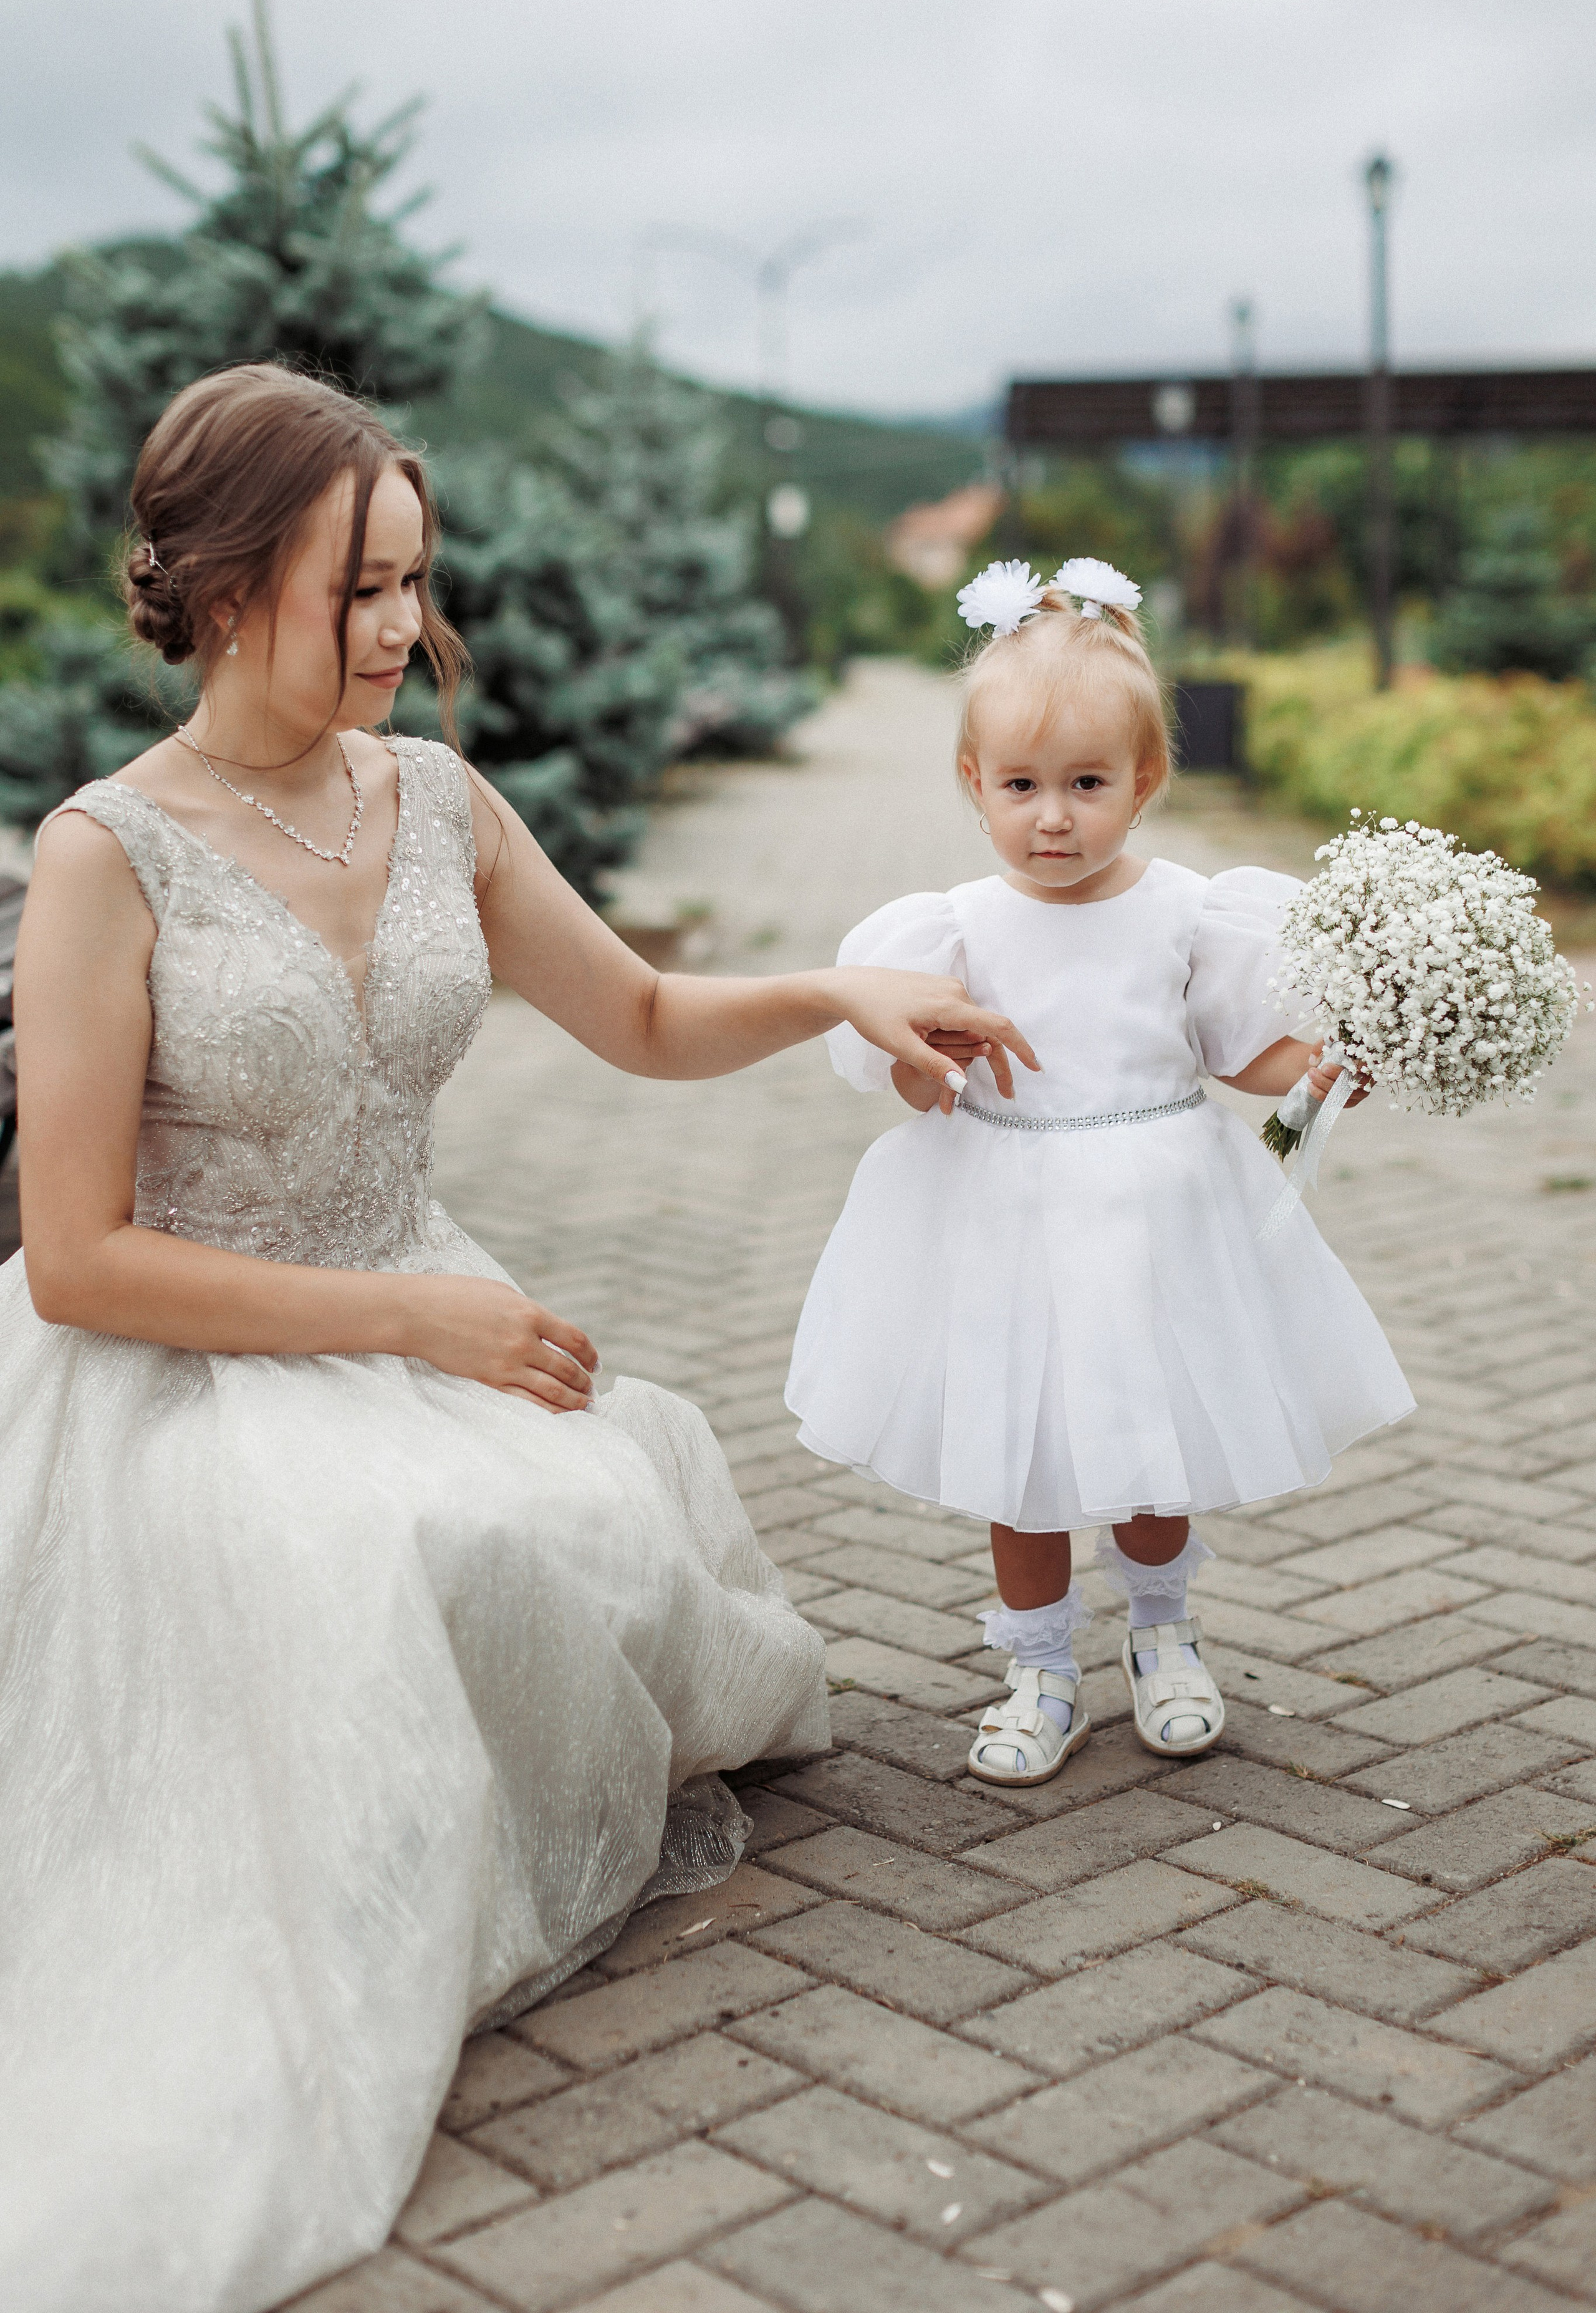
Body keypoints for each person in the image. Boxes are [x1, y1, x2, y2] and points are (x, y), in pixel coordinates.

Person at [0, 364, 1037, 2313]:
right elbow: (74, 1260)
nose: (405, 628)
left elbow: (637, 1015)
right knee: (395, 1566)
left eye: (415, 581)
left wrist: (836, 989)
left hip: (427, 1311)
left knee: (606, 1529)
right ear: (225, 590)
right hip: (189, 1367)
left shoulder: (439, 801)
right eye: (358, 588)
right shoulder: (101, 858)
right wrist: (415, 1320)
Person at [786, 558, 1415, 1786]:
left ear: (1145, 780)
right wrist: (932, 1065)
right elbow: (908, 1072)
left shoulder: (1188, 912)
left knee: (1148, 1435)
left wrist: (1322, 1066)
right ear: (973, 783)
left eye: (1084, 784)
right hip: (1003, 1213)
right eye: (1020, 786)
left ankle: (1162, 1635)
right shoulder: (951, 927)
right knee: (1019, 1454)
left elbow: (1243, 1050)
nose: (1053, 818)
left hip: (1154, 1214)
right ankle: (1039, 1665)